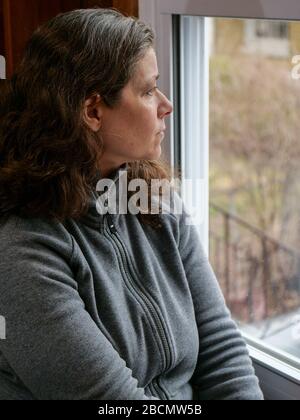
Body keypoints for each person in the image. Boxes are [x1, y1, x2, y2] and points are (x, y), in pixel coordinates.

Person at [0, 8, 264, 400]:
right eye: (146, 90)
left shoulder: (154, 197)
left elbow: (223, 352)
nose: (166, 104)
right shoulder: (22, 251)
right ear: (92, 111)